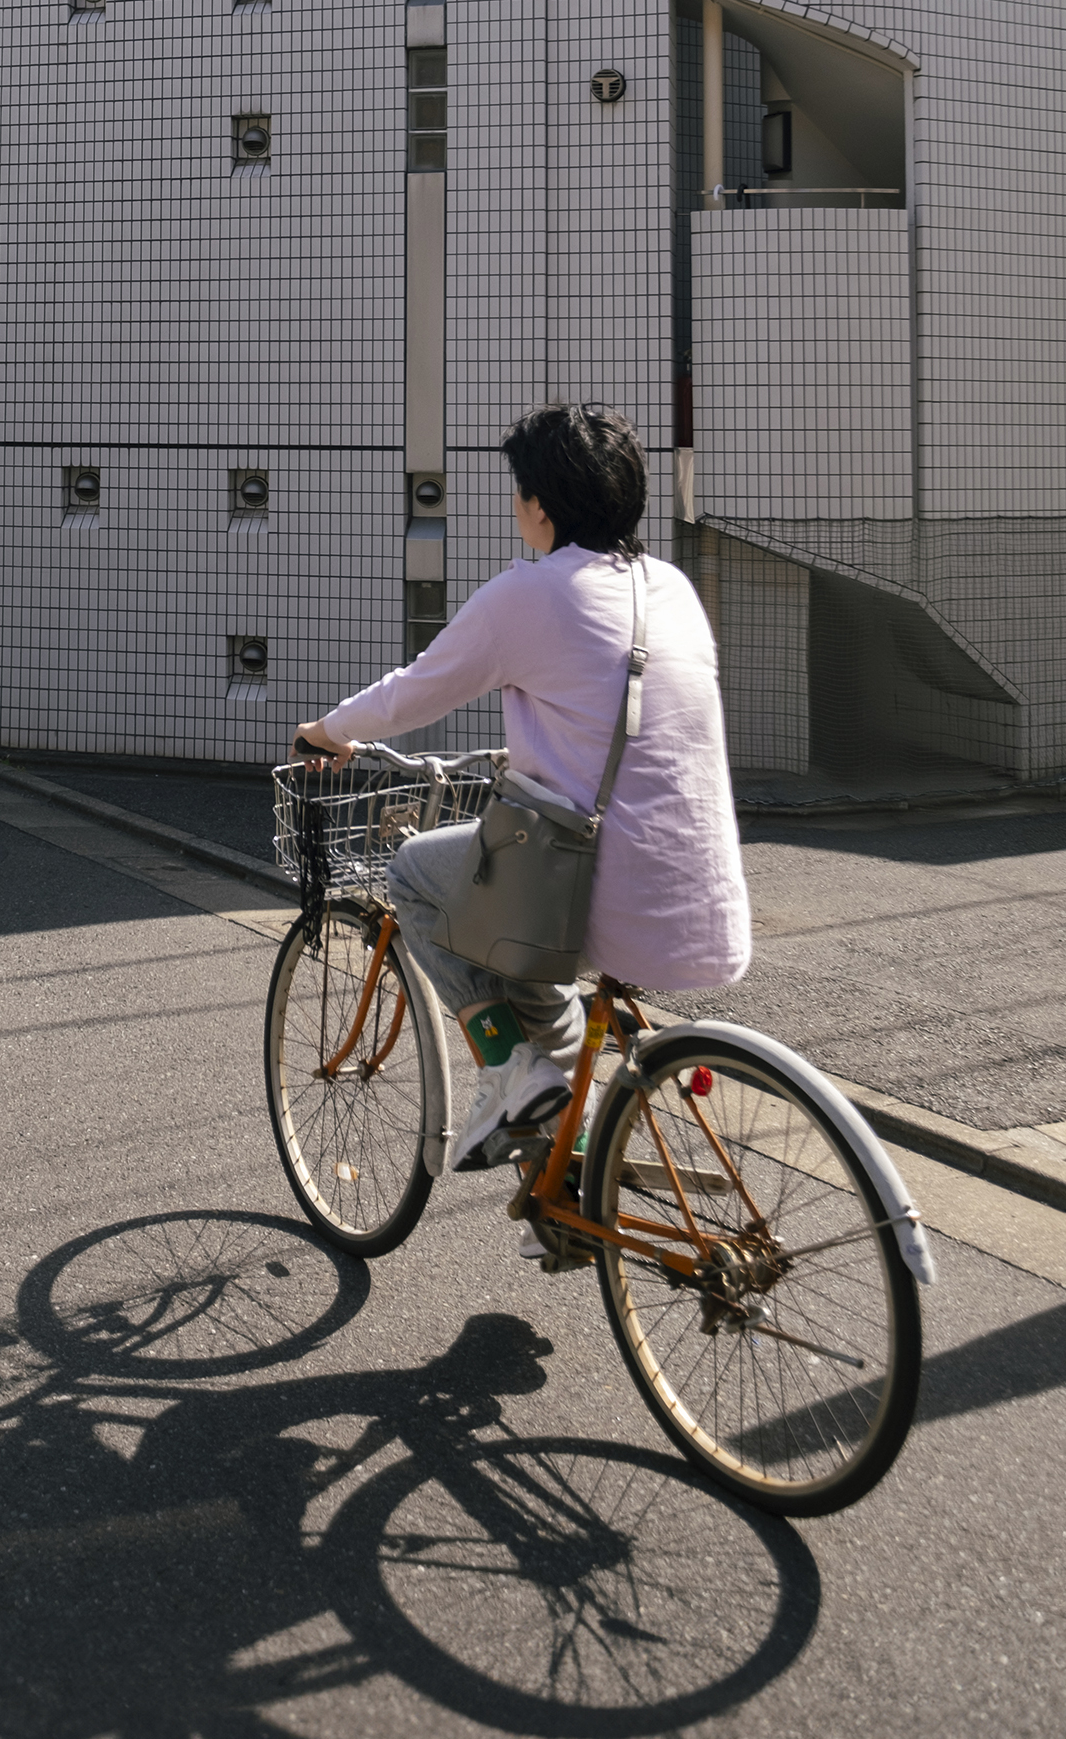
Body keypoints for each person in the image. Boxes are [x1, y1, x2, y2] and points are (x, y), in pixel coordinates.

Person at [293, 402, 750, 1178]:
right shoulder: (669, 588)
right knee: (524, 953)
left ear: (538, 504)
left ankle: (510, 1070)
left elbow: (416, 691)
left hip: (597, 892)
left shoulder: (529, 592)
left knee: (416, 875)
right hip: (704, 894)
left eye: (517, 494)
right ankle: (562, 1188)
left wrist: (330, 732)